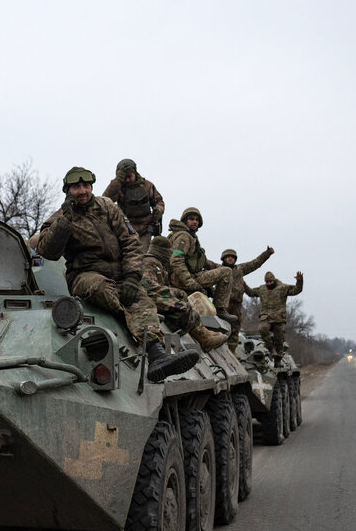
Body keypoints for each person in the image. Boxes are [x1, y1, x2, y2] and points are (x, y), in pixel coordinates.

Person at [37, 167, 199, 382]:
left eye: (86, 186)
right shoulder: (59, 218)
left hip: (121, 274)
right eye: (76, 187)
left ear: (92, 187)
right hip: (84, 275)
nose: (82, 191)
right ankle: (131, 330)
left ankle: (157, 356)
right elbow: (47, 250)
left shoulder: (107, 207)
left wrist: (132, 276)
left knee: (141, 298)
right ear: (68, 190)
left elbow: (130, 242)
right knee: (102, 289)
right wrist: (64, 223)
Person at [142, 236, 229, 350]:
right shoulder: (150, 263)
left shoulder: (157, 264)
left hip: (153, 298)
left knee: (185, 306)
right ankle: (205, 339)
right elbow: (150, 287)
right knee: (182, 309)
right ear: (163, 252)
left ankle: (205, 334)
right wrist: (175, 292)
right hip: (148, 300)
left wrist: (175, 292)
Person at [166, 207, 239, 325]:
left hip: (186, 277)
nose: (195, 222)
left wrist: (220, 268)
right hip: (181, 279)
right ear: (185, 221)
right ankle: (220, 309)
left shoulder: (190, 237)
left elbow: (203, 262)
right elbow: (176, 261)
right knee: (226, 273)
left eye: (197, 220)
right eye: (191, 219)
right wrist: (190, 283)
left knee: (225, 271)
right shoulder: (184, 236)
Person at [101, 158, 164, 251]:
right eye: (124, 177)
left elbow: (159, 201)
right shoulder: (119, 188)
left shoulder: (147, 186)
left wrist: (159, 210)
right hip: (126, 228)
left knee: (143, 256)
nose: (127, 180)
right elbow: (105, 201)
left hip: (146, 228)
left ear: (135, 173)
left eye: (129, 176)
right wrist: (117, 181)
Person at [221, 246, 274, 350]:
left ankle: (232, 351)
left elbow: (255, 263)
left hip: (236, 304)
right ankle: (219, 347)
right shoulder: (219, 269)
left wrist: (267, 254)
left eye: (232, 257)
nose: (230, 258)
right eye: (228, 257)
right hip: (222, 304)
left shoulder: (240, 269)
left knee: (235, 328)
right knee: (220, 325)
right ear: (223, 259)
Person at [245, 271, 304, 359]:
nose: (269, 283)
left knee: (279, 339)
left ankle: (278, 358)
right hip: (266, 317)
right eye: (267, 282)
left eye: (270, 282)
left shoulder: (283, 288)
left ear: (274, 280)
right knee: (262, 328)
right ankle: (271, 349)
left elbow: (296, 290)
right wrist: (243, 284)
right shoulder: (262, 289)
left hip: (278, 318)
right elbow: (251, 292)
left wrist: (299, 281)